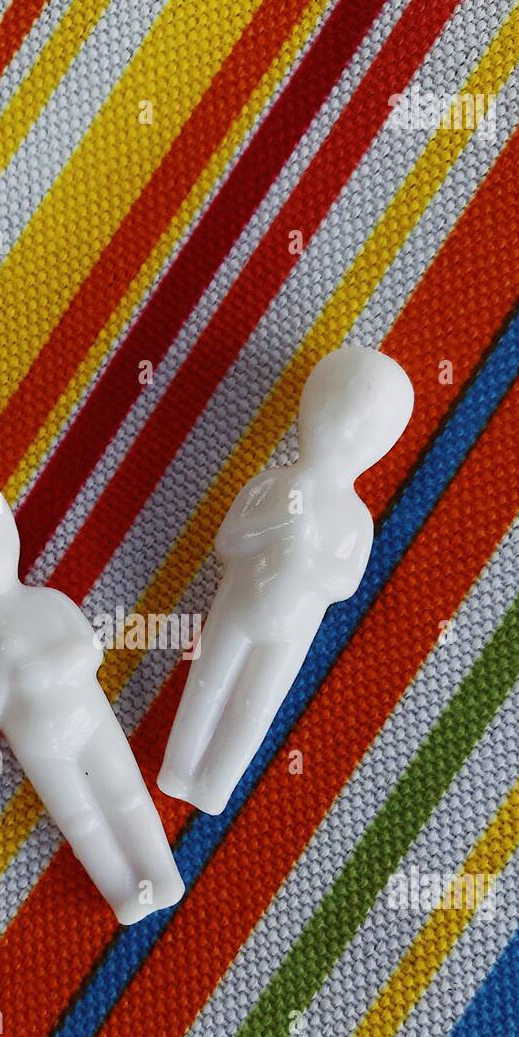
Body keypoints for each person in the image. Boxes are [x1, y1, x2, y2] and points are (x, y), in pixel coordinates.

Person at [0, 477, 185, 925]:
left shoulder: (46, 603)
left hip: (90, 722)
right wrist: (0, 663)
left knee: (126, 796)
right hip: (40, 748)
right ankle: (123, 891)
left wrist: (43, 671)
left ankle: (160, 874)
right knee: (81, 820)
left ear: (9, 536)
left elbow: (89, 652)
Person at [158, 345, 413, 815]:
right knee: (207, 684)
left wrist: (308, 559)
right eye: (334, 416)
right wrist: (279, 527)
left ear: (380, 446)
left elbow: (345, 584)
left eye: (363, 432)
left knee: (254, 708)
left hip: (292, 629)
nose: (343, 436)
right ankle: (178, 767)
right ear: (310, 410)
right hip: (237, 607)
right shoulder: (272, 484)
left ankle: (215, 784)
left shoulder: (355, 518)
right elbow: (229, 541)